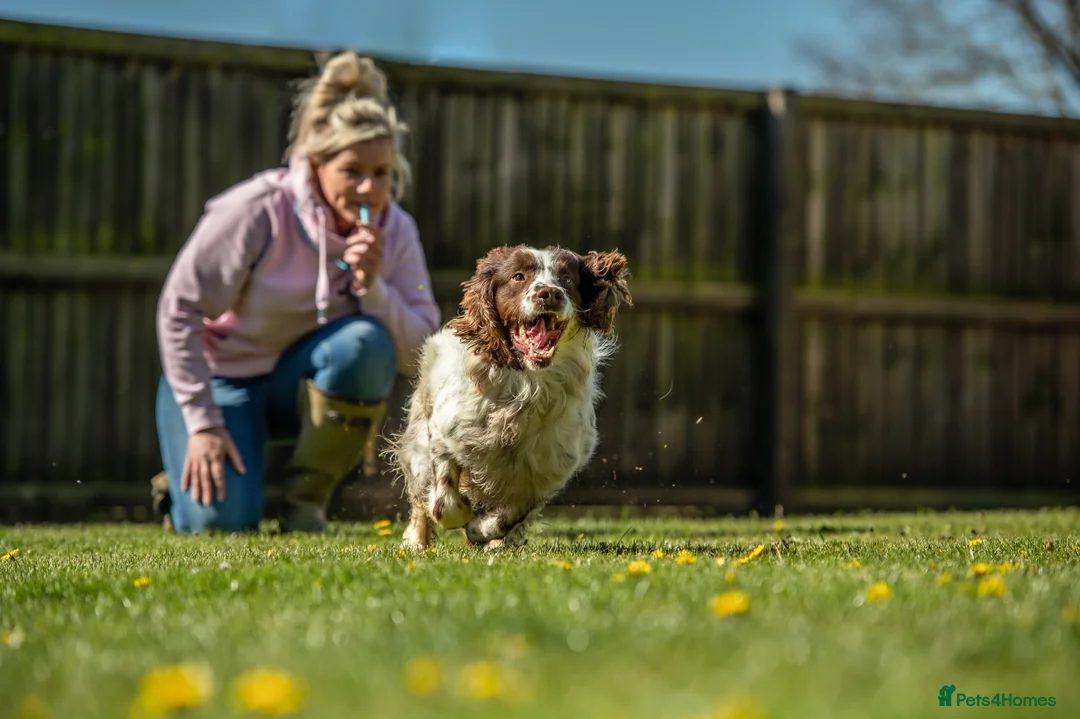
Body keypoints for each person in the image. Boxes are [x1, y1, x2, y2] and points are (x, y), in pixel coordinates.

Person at [151, 51, 441, 535]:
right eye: (353, 171)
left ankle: (305, 505)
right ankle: (177, 490)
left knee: (366, 344)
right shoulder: (260, 209)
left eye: (383, 173)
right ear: (317, 163)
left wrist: (374, 289)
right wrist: (201, 422)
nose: (370, 188)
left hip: (298, 386)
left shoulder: (398, 232)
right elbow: (179, 307)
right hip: (220, 379)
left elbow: (423, 355)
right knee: (221, 527)